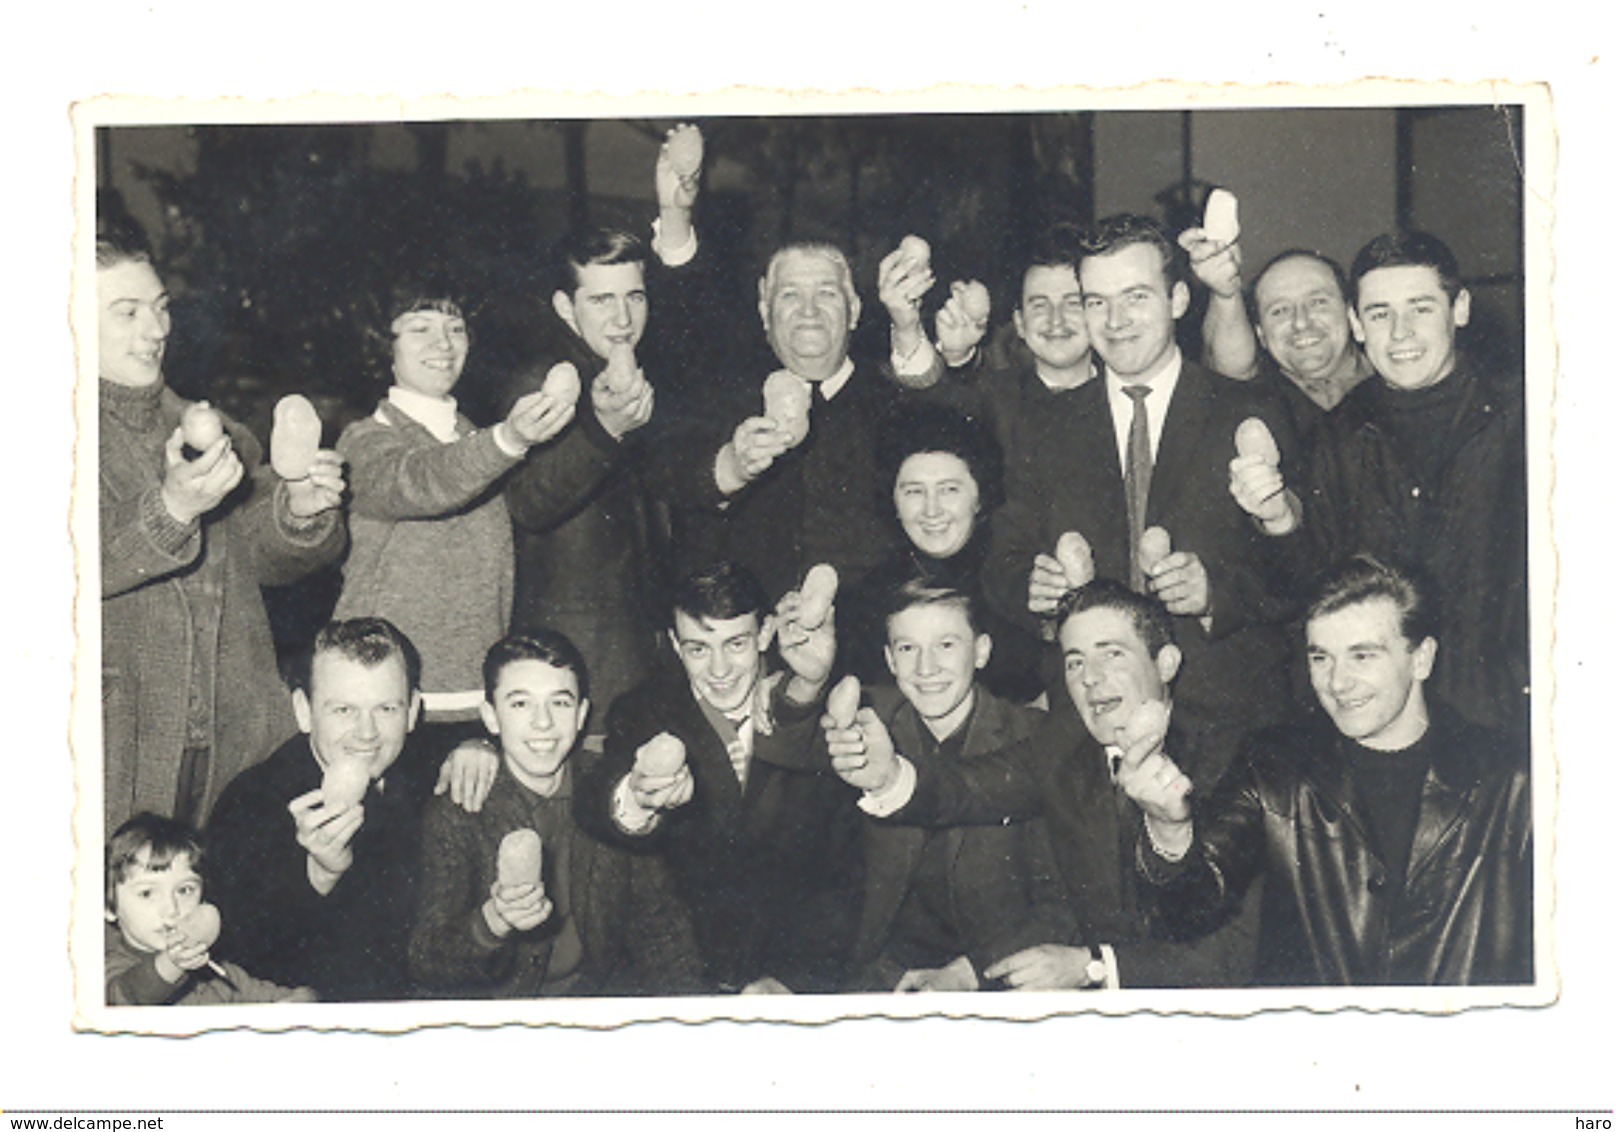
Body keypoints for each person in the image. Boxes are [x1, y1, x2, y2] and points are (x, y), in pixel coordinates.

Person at [826, 580, 1258, 990]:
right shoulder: (1065, 746)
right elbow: (973, 786)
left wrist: (1093, 967)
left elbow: (1229, 958)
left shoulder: (1228, 757)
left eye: (1112, 655)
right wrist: (888, 778)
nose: (1090, 678)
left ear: (1166, 663)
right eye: (1075, 661)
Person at [1122, 554, 1532, 986]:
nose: (1337, 683)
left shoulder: (1512, 780)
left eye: (1362, 656)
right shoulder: (1275, 765)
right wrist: (1169, 828)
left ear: (1421, 659)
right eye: (1321, 658)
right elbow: (1186, 914)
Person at [985, 213, 1301, 771]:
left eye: (1135, 297)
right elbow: (1001, 561)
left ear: (1179, 298)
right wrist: (1030, 587)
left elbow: (1302, 565)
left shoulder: (1249, 410)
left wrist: (1216, 595)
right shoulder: (1045, 428)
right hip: (1089, 725)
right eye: (1096, 301)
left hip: (1229, 730)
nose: (1115, 320)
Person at [97, 217, 346, 831]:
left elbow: (263, 554)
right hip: (116, 746)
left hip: (235, 741)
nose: (158, 330)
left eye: (160, 307)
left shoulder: (212, 427)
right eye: (127, 313)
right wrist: (170, 509)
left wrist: (299, 511)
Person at [1227, 231, 1528, 739]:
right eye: (1380, 314)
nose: (1401, 333)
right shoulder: (1336, 435)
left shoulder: (1525, 416)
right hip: (1381, 729)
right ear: (1355, 324)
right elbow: (1307, 590)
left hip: (1500, 721)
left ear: (1460, 309)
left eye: (1421, 309)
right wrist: (1278, 521)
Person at [573, 561, 864, 994]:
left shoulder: (817, 706)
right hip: (681, 976)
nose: (720, 669)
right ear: (674, 644)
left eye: (736, 644)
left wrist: (793, 980)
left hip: (792, 973)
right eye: (698, 649)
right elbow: (594, 804)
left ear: (766, 634)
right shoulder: (642, 712)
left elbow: (842, 870)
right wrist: (637, 797)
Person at [502, 125, 708, 727]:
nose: (623, 318)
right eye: (601, 301)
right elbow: (529, 501)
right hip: (572, 660)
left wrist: (674, 214)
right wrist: (604, 431)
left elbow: (702, 321)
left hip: (641, 650)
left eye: (635, 298)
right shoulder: (541, 378)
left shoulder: (636, 369)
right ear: (566, 308)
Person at [334, 280, 577, 755]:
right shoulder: (364, 442)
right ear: (385, 346)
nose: (443, 345)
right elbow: (427, 480)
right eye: (421, 328)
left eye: (455, 328)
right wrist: (509, 439)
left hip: (476, 705)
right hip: (387, 707)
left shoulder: (476, 440)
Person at [409, 632, 705, 998]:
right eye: (520, 704)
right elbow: (427, 959)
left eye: (560, 703)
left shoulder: (607, 786)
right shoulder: (461, 805)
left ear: (582, 714)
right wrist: (492, 923)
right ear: (491, 717)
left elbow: (660, 925)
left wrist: (695, 1018)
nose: (543, 723)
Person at [835, 582, 1075, 993]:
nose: (926, 669)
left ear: (981, 652)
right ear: (890, 659)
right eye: (908, 649)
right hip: (884, 979)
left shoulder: (1031, 739)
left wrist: (970, 973)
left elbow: (1062, 907)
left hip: (995, 977)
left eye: (946, 645)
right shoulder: (871, 734)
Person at [665, 240, 919, 602]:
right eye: (789, 296)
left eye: (827, 293)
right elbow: (678, 478)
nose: (809, 310)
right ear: (765, 313)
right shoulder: (721, 402)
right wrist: (734, 468)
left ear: (855, 310)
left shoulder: (897, 404)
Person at [206, 618, 437, 1002]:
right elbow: (238, 959)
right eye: (344, 710)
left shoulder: (422, 777)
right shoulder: (250, 802)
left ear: (412, 711)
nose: (367, 732)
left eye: (386, 708)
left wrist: (478, 750)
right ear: (303, 709)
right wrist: (317, 876)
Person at [843, 402, 1043, 704]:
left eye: (949, 489)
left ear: (980, 498)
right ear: (894, 502)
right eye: (914, 491)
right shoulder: (869, 598)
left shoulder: (1015, 581)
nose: (932, 510)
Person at [104, 813, 316, 1005]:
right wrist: (172, 964)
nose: (172, 909)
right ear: (108, 907)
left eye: (185, 890)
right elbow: (126, 998)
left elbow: (281, 997)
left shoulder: (217, 972)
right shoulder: (104, 970)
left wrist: (303, 999)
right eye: (147, 893)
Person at [1245, 249, 1374, 438]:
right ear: (1261, 335)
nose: (1301, 322)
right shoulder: (1252, 415)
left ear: (1350, 313)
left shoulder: (1401, 381)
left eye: (1318, 302)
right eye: (1280, 310)